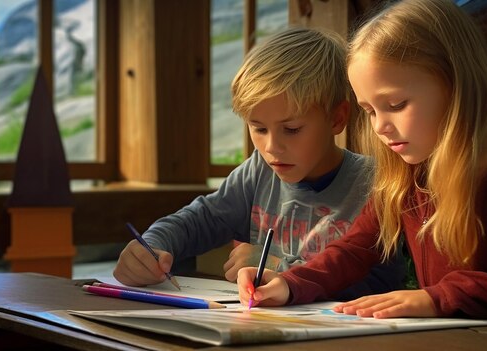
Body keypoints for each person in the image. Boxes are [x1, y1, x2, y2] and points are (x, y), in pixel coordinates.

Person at [236, 0, 487, 326]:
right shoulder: (405, 176)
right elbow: (354, 249)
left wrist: (440, 296)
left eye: (395, 105)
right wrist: (289, 284)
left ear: (454, 85)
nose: (380, 126)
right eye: (369, 111)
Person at [113, 27, 405, 300]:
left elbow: (383, 283)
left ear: (337, 118)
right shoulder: (260, 171)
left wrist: (280, 266)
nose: (271, 147)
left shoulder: (377, 181)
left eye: (291, 129)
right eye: (259, 128)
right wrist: (151, 246)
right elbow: (201, 219)